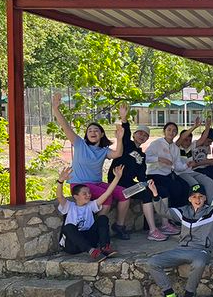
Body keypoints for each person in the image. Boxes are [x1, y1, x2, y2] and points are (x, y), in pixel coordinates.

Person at [147, 179, 213, 297]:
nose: (197, 199)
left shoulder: (211, 211)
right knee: (153, 262)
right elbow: (164, 212)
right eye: (194, 197)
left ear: (205, 198)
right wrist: (155, 195)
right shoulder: (183, 211)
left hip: (200, 250)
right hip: (180, 249)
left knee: (199, 262)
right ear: (189, 199)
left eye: (200, 197)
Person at [51, 93, 126, 230]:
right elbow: (65, 126)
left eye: (96, 130)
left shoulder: (104, 150)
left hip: (96, 183)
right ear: (86, 134)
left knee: (124, 193)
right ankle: (96, 229)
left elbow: (118, 153)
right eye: (89, 130)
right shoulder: (79, 143)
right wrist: (56, 109)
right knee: (107, 198)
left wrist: (120, 137)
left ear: (102, 134)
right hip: (79, 184)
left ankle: (119, 226)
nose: (92, 132)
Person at [107, 103, 168, 240]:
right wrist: (124, 118)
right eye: (140, 133)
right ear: (134, 135)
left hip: (129, 184)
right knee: (146, 195)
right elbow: (125, 133)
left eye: (145, 135)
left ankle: (164, 224)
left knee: (158, 190)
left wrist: (148, 183)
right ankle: (152, 230)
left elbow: (141, 175)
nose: (142, 136)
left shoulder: (142, 155)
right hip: (117, 183)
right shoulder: (126, 145)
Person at [56, 164, 123, 261]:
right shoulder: (69, 206)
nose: (88, 195)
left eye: (89, 193)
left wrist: (117, 178)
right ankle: (92, 251)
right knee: (68, 227)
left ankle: (105, 247)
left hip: (89, 239)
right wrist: (60, 181)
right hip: (72, 245)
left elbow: (107, 193)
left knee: (103, 218)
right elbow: (59, 196)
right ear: (75, 196)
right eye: (84, 194)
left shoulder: (91, 205)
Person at [145, 122, 191, 233]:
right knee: (174, 188)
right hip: (154, 174)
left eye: (174, 130)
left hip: (167, 174)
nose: (171, 132)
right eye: (169, 129)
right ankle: (167, 222)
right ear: (164, 131)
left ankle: (179, 217)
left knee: (185, 187)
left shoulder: (175, 148)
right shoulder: (156, 143)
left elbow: (178, 165)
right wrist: (159, 159)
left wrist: (187, 165)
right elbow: (145, 157)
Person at [175, 118, 213, 198]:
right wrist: (194, 126)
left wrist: (207, 127)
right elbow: (181, 138)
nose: (187, 142)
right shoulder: (176, 146)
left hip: (191, 172)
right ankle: (196, 206)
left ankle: (211, 206)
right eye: (185, 140)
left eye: (189, 140)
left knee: (209, 181)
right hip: (180, 173)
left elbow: (202, 139)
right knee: (195, 185)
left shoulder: (191, 146)